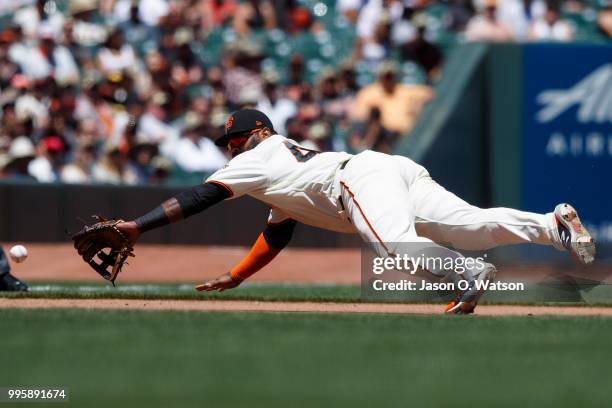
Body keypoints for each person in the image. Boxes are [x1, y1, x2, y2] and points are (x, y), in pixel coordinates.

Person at [112, 109, 596, 314]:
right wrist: (237, 275)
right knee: (472, 226)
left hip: (358, 180)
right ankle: (552, 226)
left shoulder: (257, 158)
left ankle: (468, 274)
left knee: (393, 249)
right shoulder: (277, 168)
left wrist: (137, 226)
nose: (230, 147)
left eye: (233, 138)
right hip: (389, 171)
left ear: (255, 133)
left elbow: (202, 196)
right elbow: (278, 232)